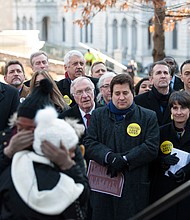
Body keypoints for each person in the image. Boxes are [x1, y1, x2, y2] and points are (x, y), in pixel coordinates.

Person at [0, 78, 90, 220]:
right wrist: (7, 153)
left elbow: (83, 194)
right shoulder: (8, 139)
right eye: (19, 127)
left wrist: (66, 164)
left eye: (29, 129)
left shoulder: (64, 145)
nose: (22, 133)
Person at [83, 73, 159, 220]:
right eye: (117, 93)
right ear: (111, 94)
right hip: (103, 188)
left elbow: (151, 147)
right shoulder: (98, 115)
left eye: (125, 93)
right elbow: (89, 143)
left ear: (133, 93)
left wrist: (125, 159)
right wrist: (109, 157)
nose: (121, 97)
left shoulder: (148, 116)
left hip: (134, 187)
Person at [150, 90, 190, 220]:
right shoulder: (161, 131)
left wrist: (186, 171)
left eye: (183, 108)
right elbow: (151, 158)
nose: (179, 112)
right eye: (175, 108)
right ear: (170, 110)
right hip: (164, 193)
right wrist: (163, 162)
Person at [59, 76, 101, 144]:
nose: (85, 95)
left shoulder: (107, 113)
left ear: (94, 91)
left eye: (88, 90)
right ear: (73, 96)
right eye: (79, 92)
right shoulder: (64, 119)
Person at [135, 60, 173, 126]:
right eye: (158, 73)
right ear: (151, 79)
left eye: (165, 73)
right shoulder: (139, 101)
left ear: (170, 78)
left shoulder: (180, 99)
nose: (163, 76)